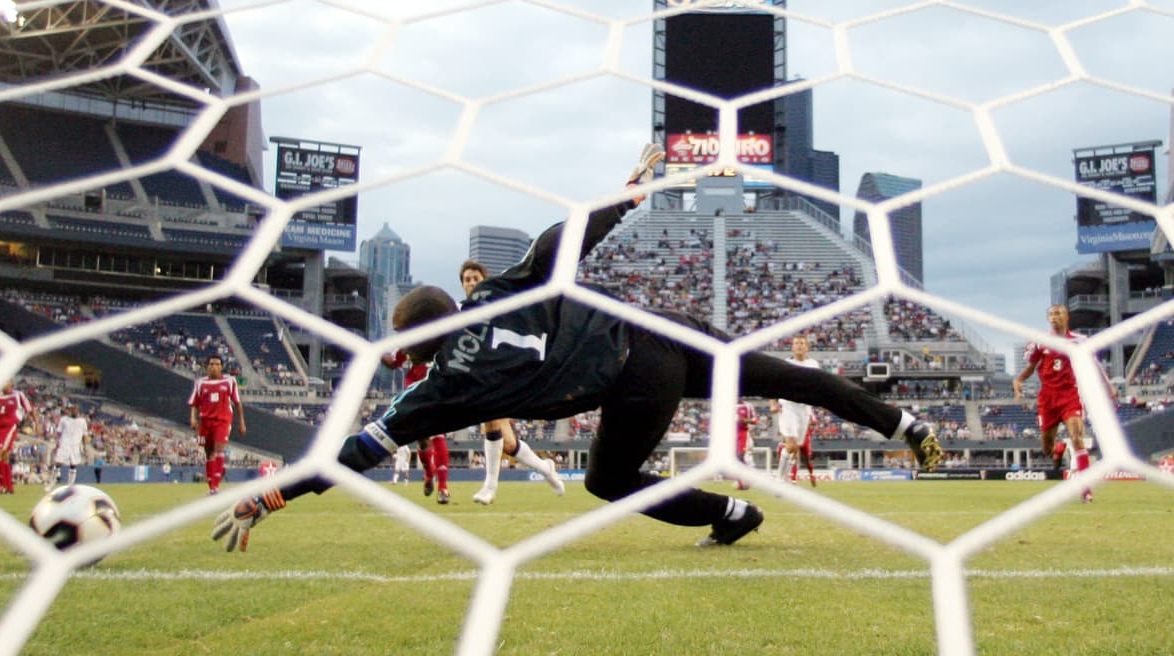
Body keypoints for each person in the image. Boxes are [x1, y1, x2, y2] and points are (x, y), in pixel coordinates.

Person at [213, 143, 942, 552]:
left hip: (634, 376)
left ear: (413, 347)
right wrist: (628, 193)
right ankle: (904, 425)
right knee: (785, 377)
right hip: (661, 326)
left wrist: (273, 495)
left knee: (609, 479)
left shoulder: (442, 389)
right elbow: (561, 241)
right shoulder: (499, 292)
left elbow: (354, 454)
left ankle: (728, 516)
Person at [459, 259, 565, 505]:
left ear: (485, 281)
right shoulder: (462, 312)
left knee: (490, 419)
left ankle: (490, 486)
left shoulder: (501, 303)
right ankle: (546, 468)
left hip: (506, 375)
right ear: (463, 285)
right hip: (483, 378)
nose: (472, 283)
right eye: (467, 279)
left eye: (476, 278)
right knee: (508, 443)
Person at [1012, 304, 1115, 503]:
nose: (1054, 317)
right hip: (1048, 398)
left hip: (1070, 395)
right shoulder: (1040, 342)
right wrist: (1018, 380)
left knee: (1077, 437)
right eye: (1050, 314)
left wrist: (1108, 385)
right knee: (1047, 448)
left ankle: (1086, 489)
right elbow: (1031, 367)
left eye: (1058, 313)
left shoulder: (1080, 341)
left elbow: (1095, 364)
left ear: (1066, 317)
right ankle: (1059, 449)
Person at [380, 350, 452, 504]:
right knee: (423, 441)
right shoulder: (413, 336)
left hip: (437, 389)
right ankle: (428, 473)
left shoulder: (444, 336)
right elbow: (394, 362)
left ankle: (443, 488)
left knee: (438, 435)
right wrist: (378, 353)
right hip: (417, 391)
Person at [189, 355, 246, 495]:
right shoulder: (200, 383)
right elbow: (195, 403)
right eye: (211, 364)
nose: (214, 366)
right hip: (205, 421)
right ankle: (211, 486)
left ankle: (215, 487)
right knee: (209, 453)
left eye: (217, 364)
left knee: (219, 450)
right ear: (207, 367)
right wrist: (193, 418)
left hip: (223, 420)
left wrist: (242, 422)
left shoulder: (230, 381)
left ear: (221, 367)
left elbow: (237, 403)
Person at [770, 336, 821, 487]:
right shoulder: (786, 364)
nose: (799, 346)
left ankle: (783, 478)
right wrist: (773, 402)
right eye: (796, 343)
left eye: (802, 343)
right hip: (788, 406)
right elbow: (772, 384)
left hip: (804, 409)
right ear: (792, 347)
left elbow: (820, 385)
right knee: (791, 445)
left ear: (807, 347)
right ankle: (779, 479)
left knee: (794, 449)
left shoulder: (813, 365)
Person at [0, 380, 32, 495]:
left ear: (11, 385)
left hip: (10, 427)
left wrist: (36, 423)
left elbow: (29, 408)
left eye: (6, 383)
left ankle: (2, 485)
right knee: (4, 457)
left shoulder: (18, 395)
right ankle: (9, 487)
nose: (3, 385)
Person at [52, 405, 89, 487]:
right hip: (64, 444)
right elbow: (59, 432)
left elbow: (84, 435)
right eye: (73, 410)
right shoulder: (64, 420)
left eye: (76, 410)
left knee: (73, 465)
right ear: (70, 411)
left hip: (75, 445)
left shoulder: (82, 421)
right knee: (58, 463)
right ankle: (52, 482)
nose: (74, 412)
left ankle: (70, 484)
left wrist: (85, 447)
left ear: (78, 411)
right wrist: (57, 443)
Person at [733, 398, 759, 490]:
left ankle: (746, 481)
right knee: (736, 459)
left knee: (743, 457)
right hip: (731, 435)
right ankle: (742, 481)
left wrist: (744, 420)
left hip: (743, 434)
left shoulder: (748, 406)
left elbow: (755, 420)